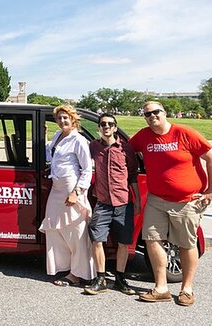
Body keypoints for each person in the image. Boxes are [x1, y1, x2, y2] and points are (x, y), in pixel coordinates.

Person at [130, 101, 212, 306]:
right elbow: (124, 149)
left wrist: (211, 191)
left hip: (186, 202)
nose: (152, 116)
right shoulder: (143, 136)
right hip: (156, 199)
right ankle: (161, 288)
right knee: (152, 240)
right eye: (147, 114)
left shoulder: (184, 133)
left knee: (186, 244)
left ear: (165, 112)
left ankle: (186, 289)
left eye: (156, 112)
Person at [84, 113, 140, 295]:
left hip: (123, 202)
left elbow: (132, 175)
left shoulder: (126, 149)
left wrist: (137, 199)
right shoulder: (93, 147)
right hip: (102, 203)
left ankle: (120, 279)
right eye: (103, 124)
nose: (106, 127)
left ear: (115, 128)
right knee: (97, 239)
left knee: (123, 243)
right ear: (99, 128)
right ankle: (100, 278)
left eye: (110, 124)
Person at [39, 105, 95, 286]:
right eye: (59, 118)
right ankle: (65, 267)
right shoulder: (57, 136)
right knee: (55, 229)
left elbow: (87, 170)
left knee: (76, 231)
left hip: (71, 189)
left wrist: (76, 193)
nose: (62, 121)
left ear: (73, 119)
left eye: (65, 118)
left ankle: (78, 274)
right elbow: (50, 156)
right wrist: (45, 136)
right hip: (56, 189)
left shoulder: (78, 140)